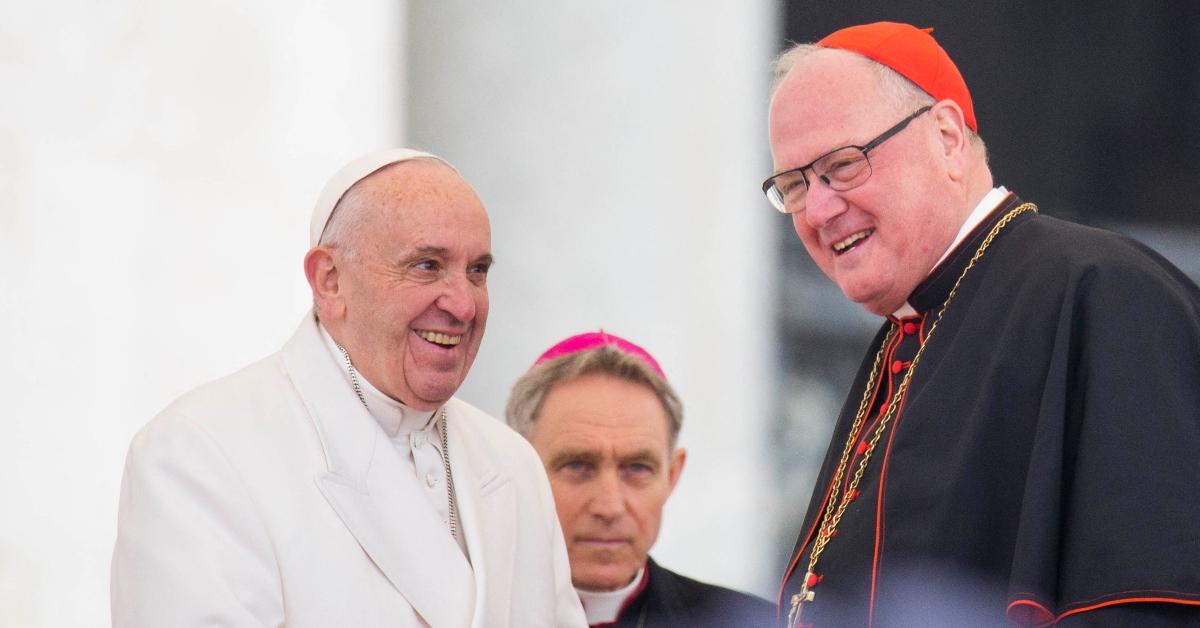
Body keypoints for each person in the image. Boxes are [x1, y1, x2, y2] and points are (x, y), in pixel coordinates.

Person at [763, 22, 1200, 628]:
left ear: (945, 137)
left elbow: (1153, 598)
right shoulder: (905, 341)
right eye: (793, 185)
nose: (817, 210)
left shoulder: (1101, 291)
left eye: (842, 166)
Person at [111, 149, 586, 627]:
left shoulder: (511, 462)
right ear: (330, 281)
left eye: (477, 271)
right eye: (426, 265)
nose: (463, 304)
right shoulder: (202, 453)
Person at [505, 331, 776, 627]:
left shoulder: (750, 622)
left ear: (672, 476)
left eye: (637, 468)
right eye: (577, 465)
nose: (610, 508)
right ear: (518, 469)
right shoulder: (460, 610)